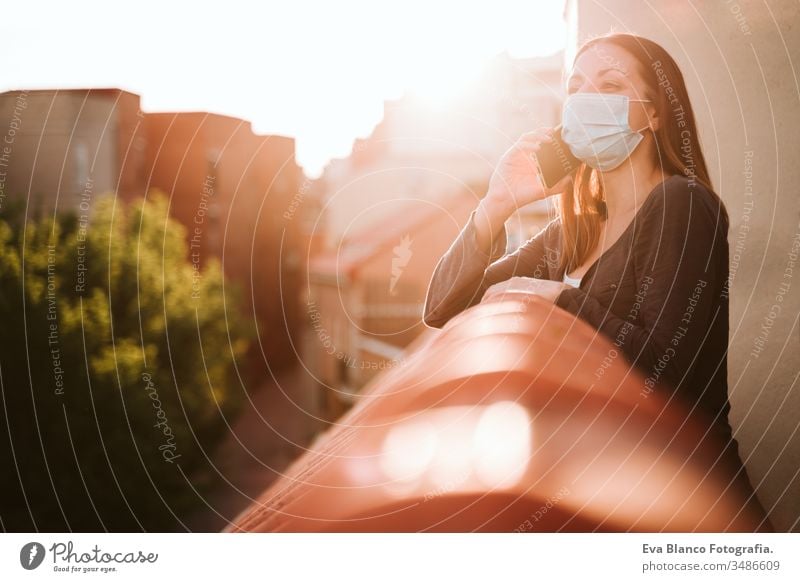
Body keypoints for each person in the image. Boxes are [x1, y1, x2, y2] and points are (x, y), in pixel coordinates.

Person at [423, 32, 772, 532]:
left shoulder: (683, 205)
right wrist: (496, 204)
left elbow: (667, 371)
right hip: (604, 499)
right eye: (577, 88)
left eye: (610, 86)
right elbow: (444, 311)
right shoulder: (574, 231)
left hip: (688, 507)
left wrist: (561, 301)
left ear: (653, 115)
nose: (587, 100)